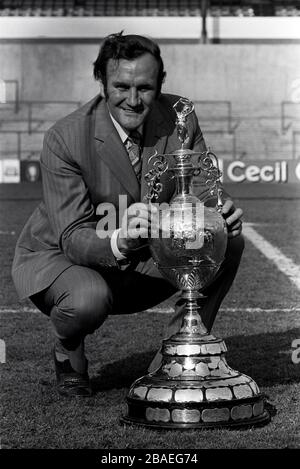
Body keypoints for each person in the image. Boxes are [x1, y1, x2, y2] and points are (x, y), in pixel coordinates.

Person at [12, 33, 244, 398]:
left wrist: (220, 210)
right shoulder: (65, 136)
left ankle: (175, 355)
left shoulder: (180, 116)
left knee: (225, 239)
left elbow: (200, 184)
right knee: (87, 299)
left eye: (145, 88)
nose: (133, 100)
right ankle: (67, 351)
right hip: (65, 258)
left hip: (145, 254)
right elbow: (72, 236)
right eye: (121, 86)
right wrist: (121, 239)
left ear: (160, 83)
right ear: (101, 82)